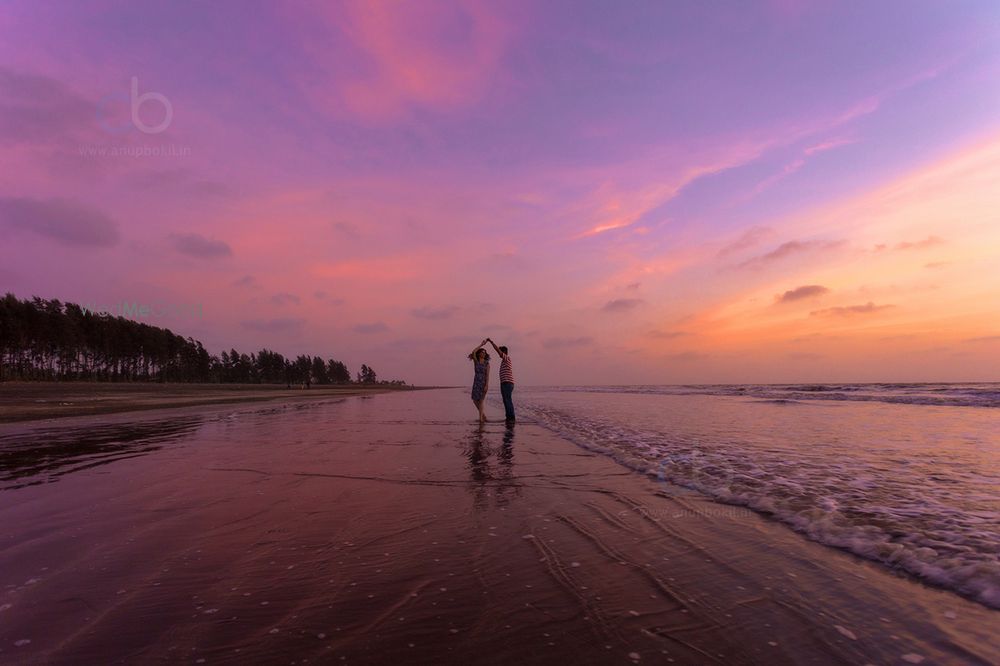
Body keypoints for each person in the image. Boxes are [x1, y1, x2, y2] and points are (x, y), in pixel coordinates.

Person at [487, 338, 515, 423]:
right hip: (505, 383)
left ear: (504, 352)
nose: (499, 354)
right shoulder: (504, 361)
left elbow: (497, 350)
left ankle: (511, 418)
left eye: (501, 352)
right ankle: (509, 417)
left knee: (507, 400)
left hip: (507, 383)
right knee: (506, 400)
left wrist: (491, 342)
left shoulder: (506, 358)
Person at [468, 339, 490, 423]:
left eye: (484, 353)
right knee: (474, 400)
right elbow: (473, 352)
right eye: (482, 352)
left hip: (483, 383)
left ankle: (481, 418)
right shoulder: (476, 361)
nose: (483, 354)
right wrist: (481, 345)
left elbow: (487, 375)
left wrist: (486, 385)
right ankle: (483, 415)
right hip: (476, 382)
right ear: (479, 353)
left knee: (481, 401)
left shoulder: (487, 363)